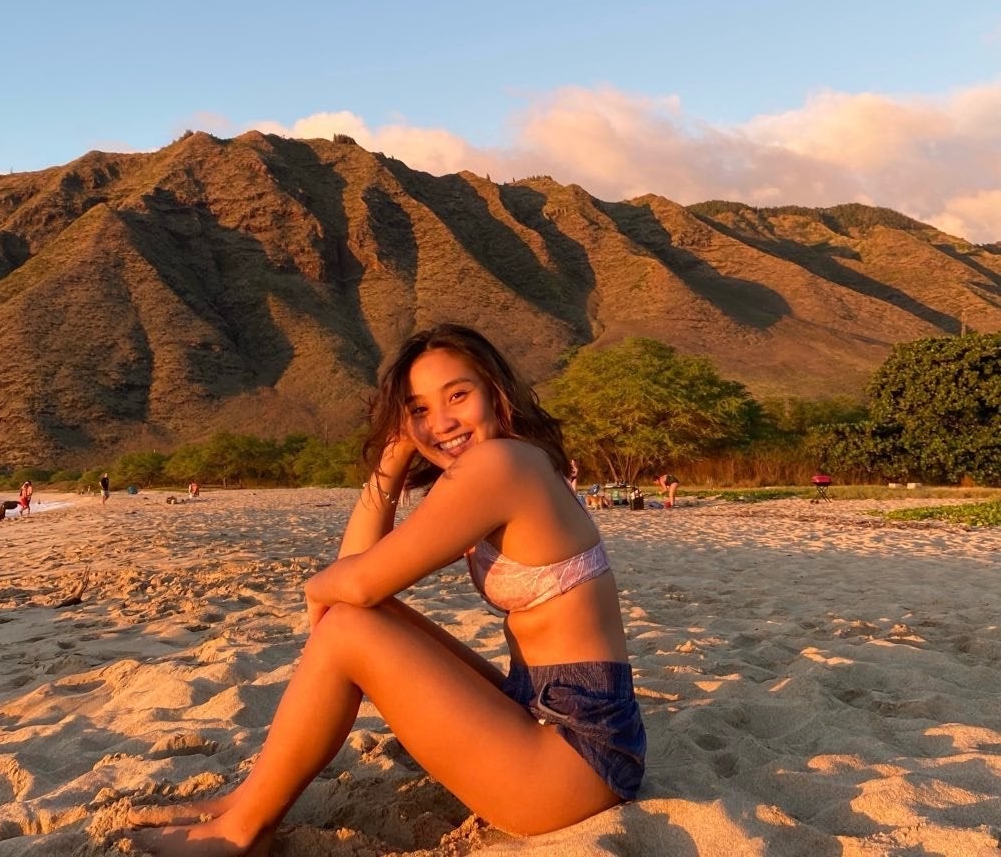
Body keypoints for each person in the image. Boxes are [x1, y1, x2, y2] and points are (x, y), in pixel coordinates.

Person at [123, 323, 645, 855]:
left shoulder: (501, 465)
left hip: (580, 760)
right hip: (548, 714)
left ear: (494, 392)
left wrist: (317, 590)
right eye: (418, 409)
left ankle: (244, 831)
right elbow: (356, 573)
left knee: (349, 624)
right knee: (358, 616)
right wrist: (393, 458)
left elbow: (355, 580)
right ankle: (247, 802)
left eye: (457, 395)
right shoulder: (506, 462)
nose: (440, 423)